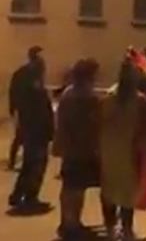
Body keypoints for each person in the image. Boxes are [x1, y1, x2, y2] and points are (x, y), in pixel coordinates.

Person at [99, 60, 146, 241]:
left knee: (109, 190)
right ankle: (127, 230)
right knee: (127, 192)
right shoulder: (139, 99)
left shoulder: (108, 96)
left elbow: (98, 123)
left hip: (108, 148)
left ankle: (110, 229)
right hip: (130, 148)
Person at [54, 59, 102, 239]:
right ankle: (71, 224)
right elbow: (93, 123)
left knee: (72, 187)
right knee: (75, 188)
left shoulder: (69, 93)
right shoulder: (86, 96)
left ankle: (69, 222)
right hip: (82, 148)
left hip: (72, 147)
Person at [7, 47, 52, 210]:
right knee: (35, 164)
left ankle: (21, 195)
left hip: (32, 127)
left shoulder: (27, 76)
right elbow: (37, 105)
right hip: (35, 128)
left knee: (31, 163)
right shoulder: (31, 80)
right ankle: (28, 196)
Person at [7, 46, 44, 171]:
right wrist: (13, 107)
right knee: (22, 136)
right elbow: (14, 91)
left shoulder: (34, 72)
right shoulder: (26, 73)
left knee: (24, 136)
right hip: (26, 109)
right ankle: (14, 161)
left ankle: (17, 161)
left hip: (29, 109)